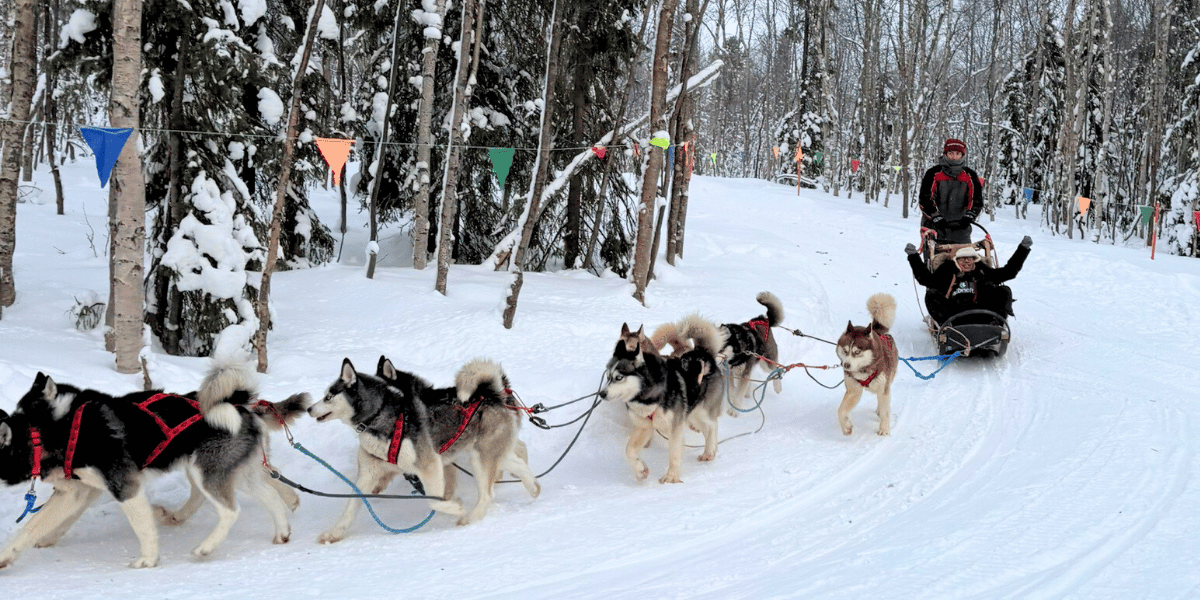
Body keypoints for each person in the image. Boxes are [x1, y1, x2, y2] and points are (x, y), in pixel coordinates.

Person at [905, 236, 1033, 324]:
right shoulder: (947, 271)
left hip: (982, 313)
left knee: (1004, 291)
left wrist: (1023, 249)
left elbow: (1009, 272)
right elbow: (926, 279)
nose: (966, 261)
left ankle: (996, 324)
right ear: (956, 260)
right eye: (962, 258)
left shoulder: (982, 271)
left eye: (970, 258)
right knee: (931, 294)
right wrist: (913, 256)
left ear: (975, 260)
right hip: (953, 316)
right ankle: (946, 327)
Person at [919, 138, 984, 245]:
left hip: (961, 228)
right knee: (935, 260)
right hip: (934, 227)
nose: (954, 157)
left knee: (964, 260)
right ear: (945, 153)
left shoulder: (970, 175)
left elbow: (976, 199)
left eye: (957, 153)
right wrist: (935, 216)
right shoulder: (933, 173)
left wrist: (969, 216)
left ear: (962, 155)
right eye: (951, 153)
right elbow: (925, 199)